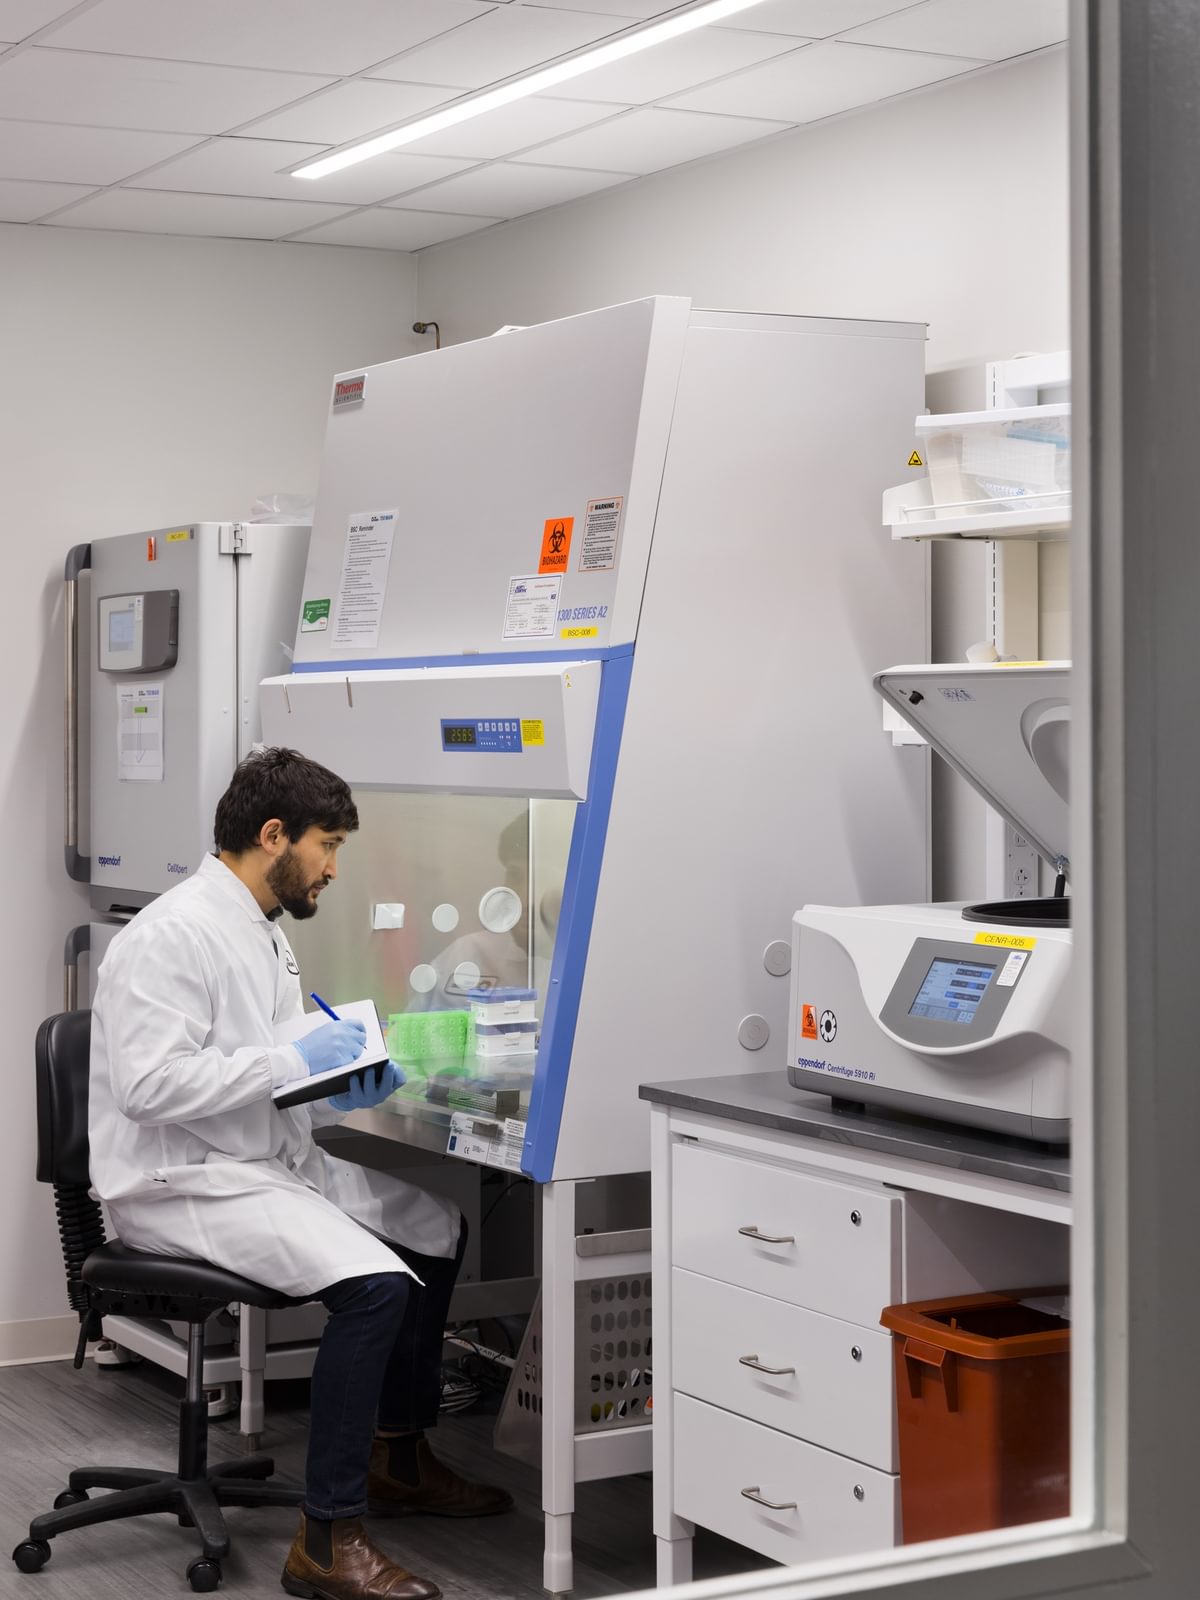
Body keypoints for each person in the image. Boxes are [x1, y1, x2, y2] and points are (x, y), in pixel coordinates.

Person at [89, 747, 511, 1600]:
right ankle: (328, 1538)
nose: (332, 866)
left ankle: (399, 1454)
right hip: (181, 1182)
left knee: (436, 1229)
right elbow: (147, 1088)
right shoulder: (170, 934)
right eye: (328, 844)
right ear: (272, 834)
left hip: (260, 1162)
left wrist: (346, 1087)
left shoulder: (265, 932)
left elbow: (283, 1083)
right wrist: (289, 1062)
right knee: (375, 1287)